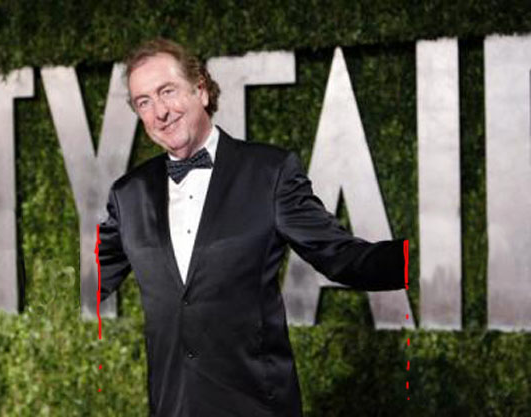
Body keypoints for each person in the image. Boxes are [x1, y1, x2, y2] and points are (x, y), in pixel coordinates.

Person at [98, 38, 407, 417]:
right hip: (173, 407)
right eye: (144, 102)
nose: (159, 111)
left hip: (256, 405)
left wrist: (420, 264)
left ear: (201, 90)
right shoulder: (128, 195)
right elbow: (93, 277)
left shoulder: (269, 172)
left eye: (167, 91)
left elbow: (341, 256)